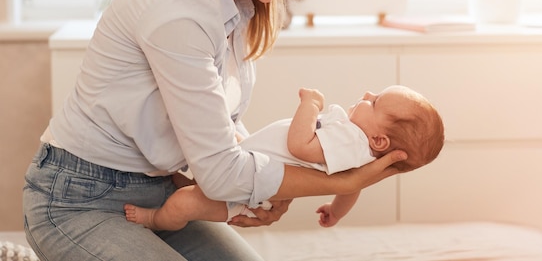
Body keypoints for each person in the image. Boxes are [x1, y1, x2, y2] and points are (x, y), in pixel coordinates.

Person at [22, 0, 408, 261]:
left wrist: (265, 181)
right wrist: (344, 182)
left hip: (160, 189)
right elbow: (221, 174)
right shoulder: (181, 9)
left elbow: (220, 130)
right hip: (77, 199)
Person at [124, 85, 445, 230]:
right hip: (247, 162)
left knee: (184, 203)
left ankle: (155, 220)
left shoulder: (353, 141)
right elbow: (351, 186)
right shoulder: (356, 150)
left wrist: (311, 104)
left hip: (247, 190)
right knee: (213, 138)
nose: (366, 95)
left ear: (379, 139)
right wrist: (336, 212)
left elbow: (299, 146)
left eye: (375, 102)